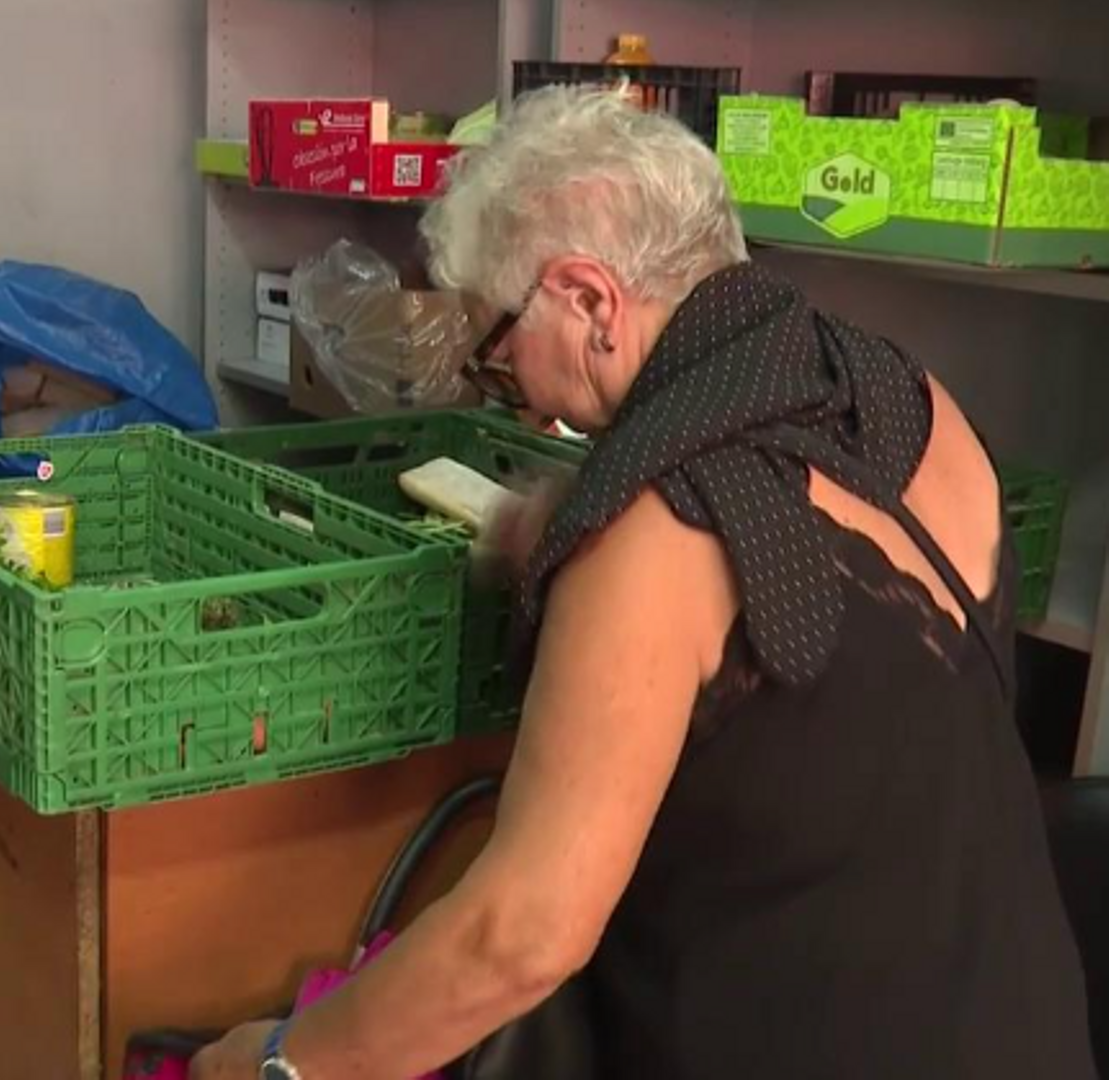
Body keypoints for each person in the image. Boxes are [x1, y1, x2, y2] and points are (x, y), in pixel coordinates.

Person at [194, 86, 1094, 1079]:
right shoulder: (904, 396)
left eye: (499, 353)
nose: (517, 404)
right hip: (1022, 1026)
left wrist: (282, 1061)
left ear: (588, 300)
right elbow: (834, 687)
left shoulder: (655, 529)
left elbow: (519, 939)